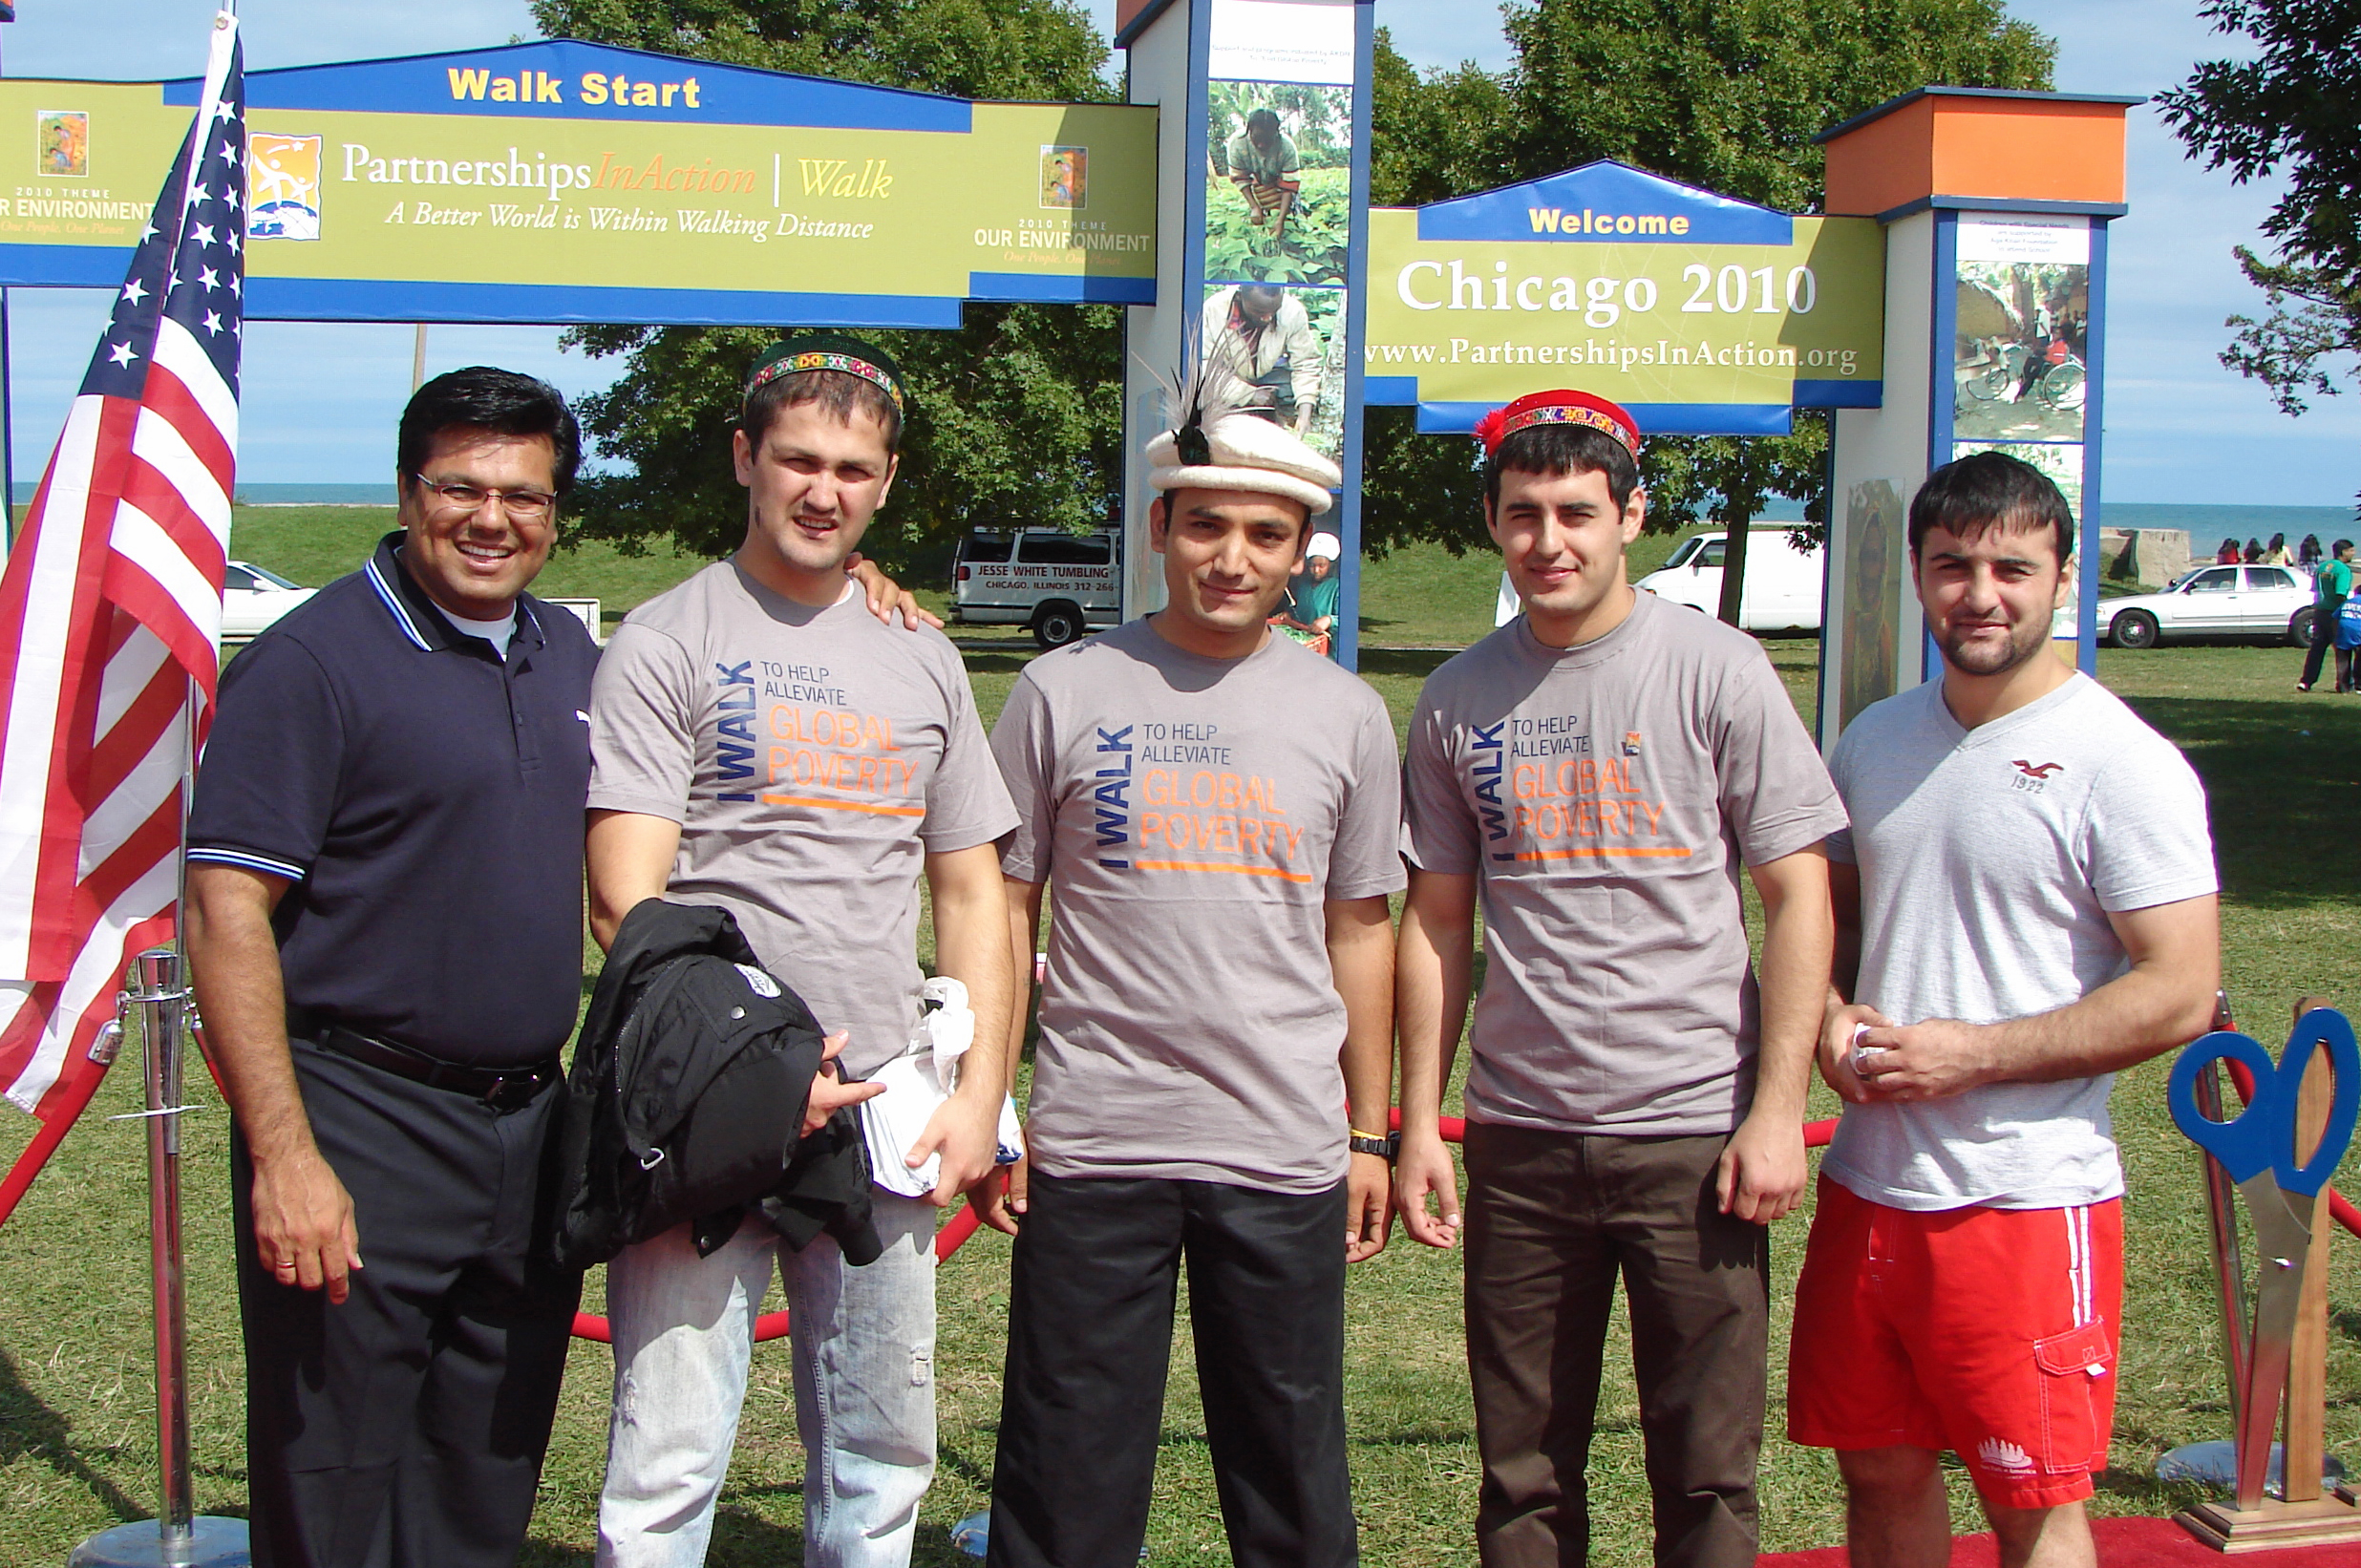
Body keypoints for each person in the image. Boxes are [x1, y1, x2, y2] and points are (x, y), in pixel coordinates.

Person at [585, 333, 1019, 1567]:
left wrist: (981, 1096)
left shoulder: (923, 652)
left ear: (885, 482)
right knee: (665, 1463)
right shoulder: (667, 638)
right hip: (705, 1105)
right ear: (745, 458)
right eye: (798, 459)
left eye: (854, 466)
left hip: (886, 1108)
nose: (824, 489)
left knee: (881, 1462)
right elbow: (630, 902)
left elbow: (973, 893)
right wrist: (764, 1069)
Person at [1393, 390, 1845, 1568]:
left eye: (1579, 513)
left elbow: (1799, 893)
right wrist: (1422, 1126)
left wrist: (1779, 1112)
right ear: (1492, 522)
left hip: (1695, 1135)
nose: (1552, 541)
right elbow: (1437, 924)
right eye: (1525, 514)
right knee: (1523, 1470)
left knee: (1705, 1468)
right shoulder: (1455, 699)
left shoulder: (1720, 670)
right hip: (1522, 1134)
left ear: (1632, 514)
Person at [184, 369, 603, 1567]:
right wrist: (286, 1156)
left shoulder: (567, 652)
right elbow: (225, 911)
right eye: (459, 487)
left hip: (528, 1120)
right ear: (407, 489)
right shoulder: (314, 664)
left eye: (524, 494)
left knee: (486, 1464)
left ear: (556, 511)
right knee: (337, 1474)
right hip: (359, 1116)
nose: (491, 518)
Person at [983, 405, 1402, 1568]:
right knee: (1067, 1462)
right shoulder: (1062, 688)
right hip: (1095, 1139)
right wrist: (994, 1101)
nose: (1233, 557)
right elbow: (1004, 908)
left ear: (1300, 551)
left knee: (1289, 1462)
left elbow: (1360, 927)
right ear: (1159, 524)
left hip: (1279, 1140)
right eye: (1206, 524)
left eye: (1265, 534)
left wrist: (1369, 1132)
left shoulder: (1348, 713)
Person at [1788, 449, 2220, 1568]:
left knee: (2033, 1501)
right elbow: (1818, 925)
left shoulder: (2124, 763)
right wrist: (1827, 1011)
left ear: (2064, 576)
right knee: (1877, 1470)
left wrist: (1969, 1056)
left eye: (2011, 568)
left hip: (2025, 1198)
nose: (1980, 595)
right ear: (1921, 579)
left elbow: (2179, 987)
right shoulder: (1877, 737)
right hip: (1871, 1185)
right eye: (1952, 567)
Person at [1202, 284, 1324, 436]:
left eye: (1274, 311)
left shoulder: (1292, 311)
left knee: (1294, 393)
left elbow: (1306, 363)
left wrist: (1304, 415)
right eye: (1259, 312)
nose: (1268, 318)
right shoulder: (1213, 310)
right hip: (1228, 378)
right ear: (1240, 297)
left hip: (1270, 376)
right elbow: (1205, 368)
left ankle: (1287, 428)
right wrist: (1248, 394)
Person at [1214, 106, 1301, 240]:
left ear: (1276, 133)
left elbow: (1289, 186)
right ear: (1249, 131)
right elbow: (1240, 178)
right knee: (1261, 217)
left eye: (1267, 139)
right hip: (1258, 182)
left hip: (1279, 183)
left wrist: (1280, 220)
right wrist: (1254, 207)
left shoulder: (1286, 147)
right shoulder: (1237, 144)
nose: (1261, 145)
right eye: (1257, 138)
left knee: (1291, 219)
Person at [2297, 538, 2352, 692]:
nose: (2353, 553)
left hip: (2320, 612)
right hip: (2335, 614)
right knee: (2342, 649)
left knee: (2317, 649)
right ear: (2344, 552)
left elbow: (2315, 589)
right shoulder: (2343, 570)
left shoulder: (2322, 567)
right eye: (2351, 550)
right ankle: (2343, 684)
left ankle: (2306, 681)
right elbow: (2340, 593)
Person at [1277, 528, 1343, 654]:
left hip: (1328, 652)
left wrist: (1329, 620)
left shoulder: (1337, 587)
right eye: (1312, 565)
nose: (1316, 570)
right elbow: (1298, 610)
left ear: (1331, 565)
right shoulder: (1304, 585)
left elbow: (1347, 620)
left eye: (1321, 566)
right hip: (1303, 646)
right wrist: (1288, 615)